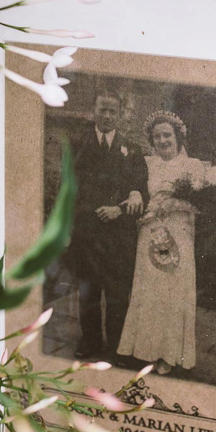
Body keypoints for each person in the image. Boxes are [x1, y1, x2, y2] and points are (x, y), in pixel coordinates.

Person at [117, 111, 216, 375]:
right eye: (157, 136)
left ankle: (169, 354)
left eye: (167, 135)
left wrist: (173, 204)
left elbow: (204, 207)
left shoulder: (195, 167)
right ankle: (145, 350)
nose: (162, 140)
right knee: (150, 291)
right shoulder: (146, 164)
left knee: (173, 293)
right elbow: (137, 193)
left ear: (178, 136)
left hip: (179, 235)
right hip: (150, 233)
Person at [69, 91, 147, 360]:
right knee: (88, 291)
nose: (107, 115)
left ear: (120, 114)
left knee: (117, 292)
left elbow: (141, 191)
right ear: (94, 109)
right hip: (87, 231)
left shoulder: (132, 149)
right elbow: (69, 188)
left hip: (118, 233)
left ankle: (116, 346)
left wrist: (119, 209)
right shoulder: (78, 143)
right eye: (103, 109)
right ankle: (90, 341)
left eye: (113, 111)